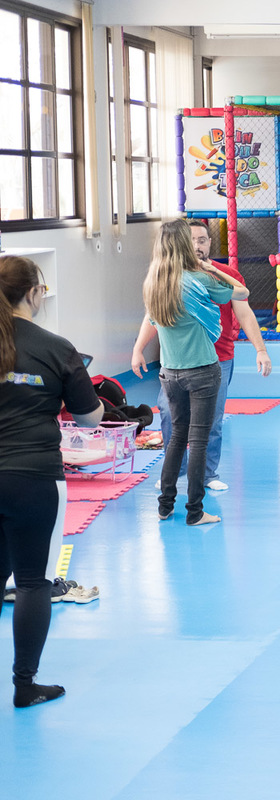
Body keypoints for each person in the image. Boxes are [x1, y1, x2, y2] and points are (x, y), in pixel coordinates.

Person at [0, 255, 104, 707]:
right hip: (34, 478)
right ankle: (25, 685)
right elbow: (90, 417)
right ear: (33, 293)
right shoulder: (56, 347)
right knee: (33, 582)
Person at [132, 220, 272, 492]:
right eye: (191, 240)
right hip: (177, 362)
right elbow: (153, 315)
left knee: (212, 420)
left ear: (209, 243)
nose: (197, 245)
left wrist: (261, 350)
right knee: (169, 415)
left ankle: (208, 474)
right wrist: (138, 348)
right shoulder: (167, 277)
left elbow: (244, 311)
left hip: (217, 359)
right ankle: (176, 472)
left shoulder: (222, 274)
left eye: (202, 240)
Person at [143, 219, 249, 526]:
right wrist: (213, 268)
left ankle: (165, 506)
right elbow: (241, 292)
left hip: (169, 372)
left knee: (177, 437)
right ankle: (195, 511)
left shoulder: (154, 282)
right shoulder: (199, 279)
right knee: (199, 440)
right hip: (202, 370)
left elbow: (152, 322)